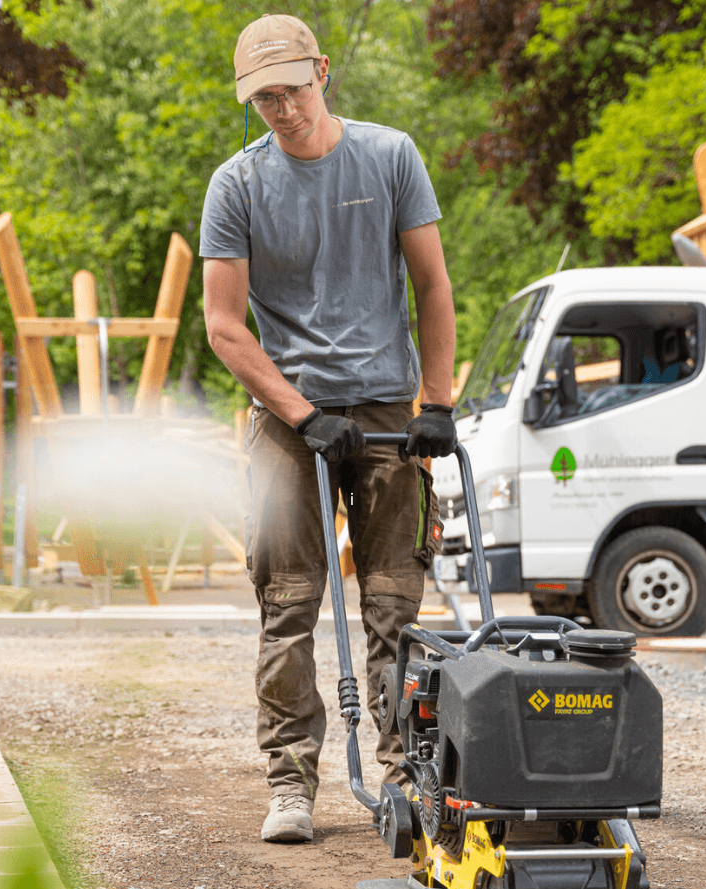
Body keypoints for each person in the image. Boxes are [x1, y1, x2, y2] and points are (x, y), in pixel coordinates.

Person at [200, 13, 458, 844]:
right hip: (289, 416)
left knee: (395, 606)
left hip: (386, 410)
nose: (282, 109)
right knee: (288, 603)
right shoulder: (235, 186)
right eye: (264, 97)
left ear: (323, 73)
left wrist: (439, 404)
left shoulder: (390, 156)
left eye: (293, 90)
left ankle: (405, 777)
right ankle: (291, 782)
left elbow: (432, 285)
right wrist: (303, 414)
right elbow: (225, 326)